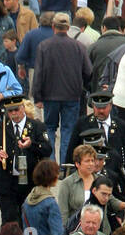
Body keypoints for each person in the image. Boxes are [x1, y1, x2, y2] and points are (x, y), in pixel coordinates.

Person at [33, 11, 93, 165]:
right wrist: (81, 86)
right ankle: (65, 165)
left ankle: (51, 163)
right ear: (68, 27)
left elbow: (38, 73)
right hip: (72, 95)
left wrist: (37, 96)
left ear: (53, 27)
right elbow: (88, 71)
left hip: (50, 95)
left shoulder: (44, 46)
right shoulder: (78, 46)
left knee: (50, 128)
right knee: (68, 130)